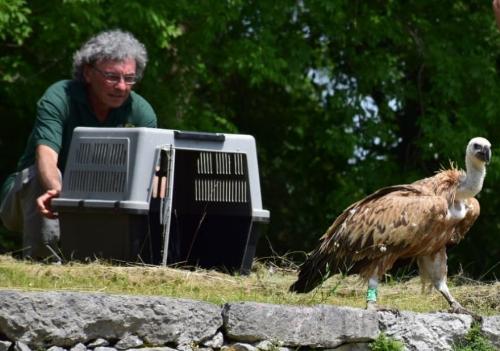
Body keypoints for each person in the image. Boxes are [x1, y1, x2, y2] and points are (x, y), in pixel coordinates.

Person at [0, 29, 157, 260]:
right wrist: (57, 190)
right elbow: (46, 157)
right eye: (112, 77)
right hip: (29, 198)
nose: (122, 86)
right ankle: (44, 265)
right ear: (87, 73)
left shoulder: (141, 113)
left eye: (129, 78)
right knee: (41, 179)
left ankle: (120, 262)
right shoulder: (59, 97)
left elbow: (152, 172)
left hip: (96, 200)